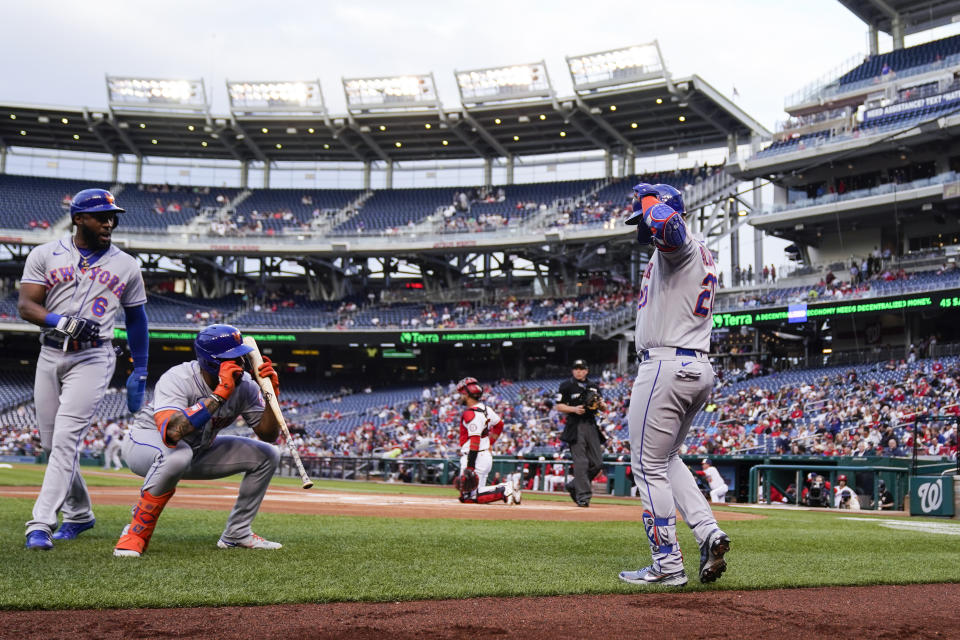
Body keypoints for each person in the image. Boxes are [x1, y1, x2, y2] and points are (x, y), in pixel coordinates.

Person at [19, 189, 149, 550]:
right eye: (100, 216)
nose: (109, 221)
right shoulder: (45, 254)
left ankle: (40, 523)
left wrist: (141, 368)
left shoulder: (127, 264)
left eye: (112, 215)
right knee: (51, 444)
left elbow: (138, 319)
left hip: (93, 357)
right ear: (79, 218)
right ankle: (79, 513)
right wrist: (62, 321)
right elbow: (27, 306)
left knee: (65, 441)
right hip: (49, 354)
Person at [619, 183, 730, 588]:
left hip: (666, 365)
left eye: (643, 219)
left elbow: (668, 227)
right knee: (667, 459)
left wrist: (652, 204)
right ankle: (708, 532)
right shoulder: (692, 253)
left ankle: (666, 563)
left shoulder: (680, 242)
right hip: (694, 366)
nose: (641, 229)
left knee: (647, 467)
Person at [113, 324, 281, 557]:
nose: (241, 364)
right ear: (211, 361)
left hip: (197, 450)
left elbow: (269, 434)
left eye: (242, 356)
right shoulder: (179, 378)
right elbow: (172, 431)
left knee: (268, 455)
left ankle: (237, 534)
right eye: (232, 358)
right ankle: (136, 533)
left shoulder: (245, 387)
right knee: (178, 454)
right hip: (145, 444)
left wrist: (270, 396)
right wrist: (219, 394)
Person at [454, 376, 520, 505]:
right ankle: (508, 490)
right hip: (484, 456)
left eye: (462, 394)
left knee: (468, 496)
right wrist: (490, 443)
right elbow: (499, 425)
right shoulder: (485, 409)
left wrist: (470, 467)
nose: (460, 397)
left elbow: (474, 441)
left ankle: (505, 489)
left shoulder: (470, 414)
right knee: (477, 494)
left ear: (467, 395)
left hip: (475, 457)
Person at [556, 359, 606, 507]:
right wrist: (574, 409)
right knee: (581, 462)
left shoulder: (594, 386)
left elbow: (601, 406)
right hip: (575, 425)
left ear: (586, 370)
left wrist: (602, 405)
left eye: (581, 368)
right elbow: (559, 406)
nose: (578, 371)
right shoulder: (566, 386)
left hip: (591, 424)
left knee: (597, 463)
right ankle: (583, 496)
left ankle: (574, 485)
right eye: (576, 368)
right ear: (573, 370)